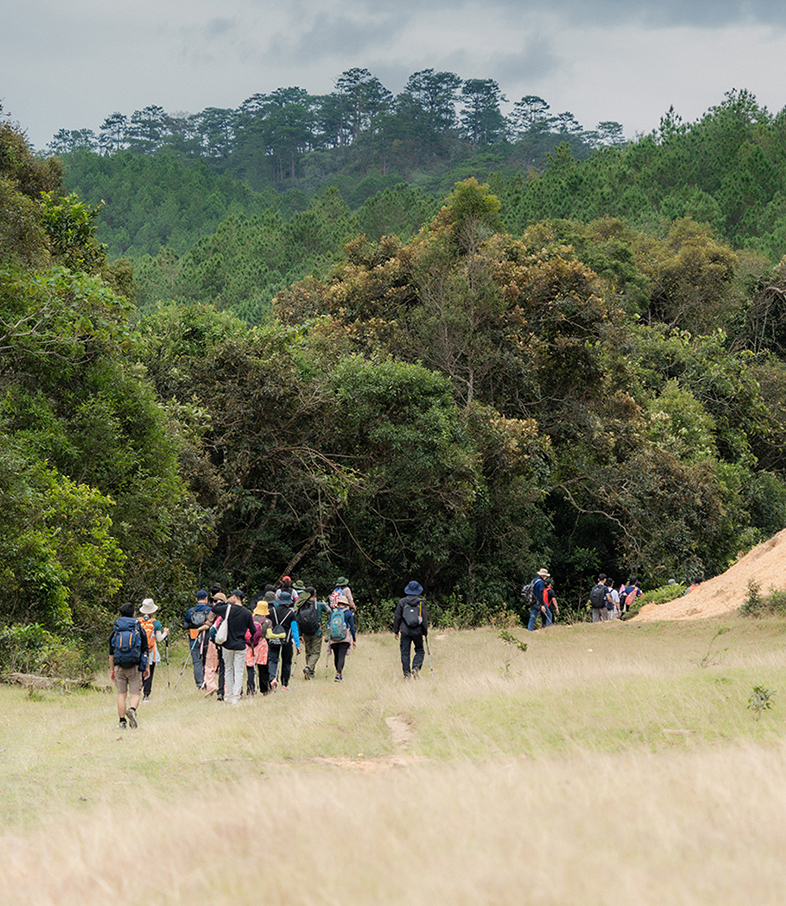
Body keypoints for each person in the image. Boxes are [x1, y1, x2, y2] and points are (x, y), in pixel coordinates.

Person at [211, 589, 256, 705]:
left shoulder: (227, 609)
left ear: (235, 597)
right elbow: (253, 630)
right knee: (239, 671)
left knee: (228, 669)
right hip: (240, 645)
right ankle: (236, 696)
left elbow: (214, 608)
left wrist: (225, 601)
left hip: (227, 645)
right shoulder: (247, 613)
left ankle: (229, 695)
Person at [109, 602, 150, 729]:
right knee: (135, 694)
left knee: (121, 694)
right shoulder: (138, 628)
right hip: (135, 666)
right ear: (134, 614)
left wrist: (112, 670)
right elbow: (145, 650)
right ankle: (132, 709)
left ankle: (122, 722)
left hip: (120, 666)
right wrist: (146, 667)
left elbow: (111, 652)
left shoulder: (116, 629)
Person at [393, 581, 428, 678]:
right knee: (420, 650)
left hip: (405, 631)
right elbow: (424, 619)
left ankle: (407, 675)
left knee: (405, 653)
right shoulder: (421, 603)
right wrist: (425, 632)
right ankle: (416, 667)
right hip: (417, 631)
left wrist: (396, 631)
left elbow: (397, 617)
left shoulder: (402, 602)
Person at [267, 586, 300, 691]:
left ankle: (273, 679)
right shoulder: (291, 613)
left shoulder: (272, 611)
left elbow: (267, 625)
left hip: (273, 639)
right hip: (286, 641)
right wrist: (297, 645)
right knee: (286, 662)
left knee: (273, 660)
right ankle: (284, 684)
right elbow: (294, 630)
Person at [296, 586, 331, 680]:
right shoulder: (319, 605)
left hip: (305, 632)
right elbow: (329, 611)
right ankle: (308, 668)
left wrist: (299, 635)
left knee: (308, 652)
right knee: (315, 653)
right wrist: (326, 604)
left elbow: (298, 620)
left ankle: (310, 673)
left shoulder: (301, 605)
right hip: (316, 632)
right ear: (314, 595)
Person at [138, 598, 169, 700]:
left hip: (138, 651)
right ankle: (146, 695)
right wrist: (165, 633)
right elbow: (159, 639)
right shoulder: (156, 623)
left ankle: (136, 692)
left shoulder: (137, 621)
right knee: (149, 672)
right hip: (151, 652)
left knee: (139, 672)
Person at [183, 590, 212, 688]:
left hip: (194, 638)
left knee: (197, 662)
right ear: (206, 598)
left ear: (196, 599)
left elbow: (185, 625)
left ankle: (199, 683)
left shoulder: (190, 611)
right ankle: (207, 682)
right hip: (207, 639)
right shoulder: (210, 610)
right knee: (207, 662)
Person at [326, 595, 356, 682]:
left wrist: (328, 636)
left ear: (338, 603)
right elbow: (352, 628)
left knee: (336, 656)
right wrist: (354, 640)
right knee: (341, 656)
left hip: (333, 638)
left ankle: (338, 673)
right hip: (344, 638)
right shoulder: (348, 613)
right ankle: (338, 674)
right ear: (346, 604)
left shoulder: (333, 612)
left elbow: (328, 624)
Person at [246, 595, 272, 696]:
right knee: (263, 668)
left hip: (250, 644)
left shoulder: (250, 619)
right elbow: (269, 635)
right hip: (262, 645)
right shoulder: (267, 622)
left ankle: (250, 689)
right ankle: (264, 688)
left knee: (250, 667)